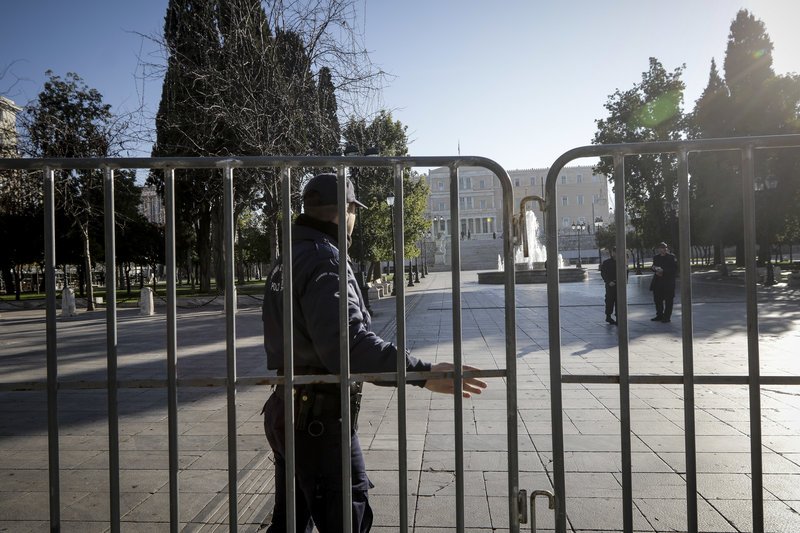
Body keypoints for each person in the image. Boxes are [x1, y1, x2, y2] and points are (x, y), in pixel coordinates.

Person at [261, 173, 487, 532]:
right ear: (346, 211)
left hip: (287, 406)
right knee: (347, 521)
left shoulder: (288, 256)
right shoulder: (325, 259)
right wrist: (421, 372)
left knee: (291, 523)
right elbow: (348, 345)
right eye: (355, 211)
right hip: (318, 421)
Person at [649, 242, 678, 323]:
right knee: (657, 300)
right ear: (658, 249)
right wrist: (654, 269)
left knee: (669, 301)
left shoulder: (671, 257)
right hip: (658, 282)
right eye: (661, 248)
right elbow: (653, 266)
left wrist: (663, 271)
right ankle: (659, 315)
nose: (663, 249)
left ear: (667, 249)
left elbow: (674, 269)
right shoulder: (656, 257)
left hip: (668, 282)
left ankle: (667, 317)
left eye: (665, 248)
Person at [600, 247, 618, 325]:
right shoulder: (606, 262)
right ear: (612, 253)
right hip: (610, 285)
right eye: (614, 252)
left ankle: (618, 317)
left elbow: (626, 272)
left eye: (616, 252)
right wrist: (608, 282)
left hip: (619, 285)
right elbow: (603, 273)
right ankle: (608, 316)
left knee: (619, 301)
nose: (615, 253)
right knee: (609, 301)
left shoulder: (622, 262)